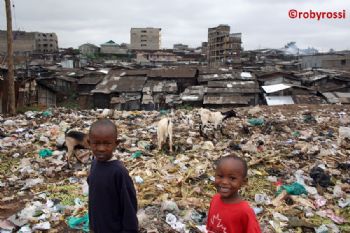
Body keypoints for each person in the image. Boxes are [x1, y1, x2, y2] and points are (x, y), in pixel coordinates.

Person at [87, 119, 138, 233]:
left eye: (107, 143)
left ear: (116, 144)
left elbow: (129, 206)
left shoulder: (119, 172)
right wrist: (92, 225)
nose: (101, 148)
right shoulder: (94, 163)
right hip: (98, 226)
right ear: (89, 143)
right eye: (96, 143)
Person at [206, 155, 261, 233]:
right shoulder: (215, 199)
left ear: (244, 182)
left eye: (232, 178)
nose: (224, 182)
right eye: (220, 176)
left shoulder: (244, 211)